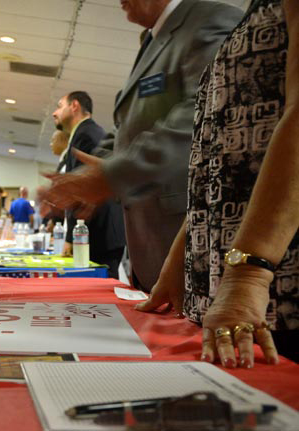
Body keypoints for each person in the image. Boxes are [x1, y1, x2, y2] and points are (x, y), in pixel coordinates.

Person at [137, 0, 299, 367]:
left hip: (274, 292)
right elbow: (225, 163)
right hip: (234, 288)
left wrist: (248, 276)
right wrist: (180, 259)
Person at [41, 0, 242, 291]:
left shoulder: (209, 20)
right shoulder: (152, 39)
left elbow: (202, 116)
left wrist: (112, 175)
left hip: (193, 245)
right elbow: (127, 127)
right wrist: (88, 175)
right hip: (151, 246)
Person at [50, 91, 126, 278]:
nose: (54, 112)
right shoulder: (84, 134)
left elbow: (84, 189)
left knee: (100, 299)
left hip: (99, 234)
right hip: (97, 233)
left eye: (59, 106)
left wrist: (71, 238)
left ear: (74, 106)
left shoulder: (87, 135)